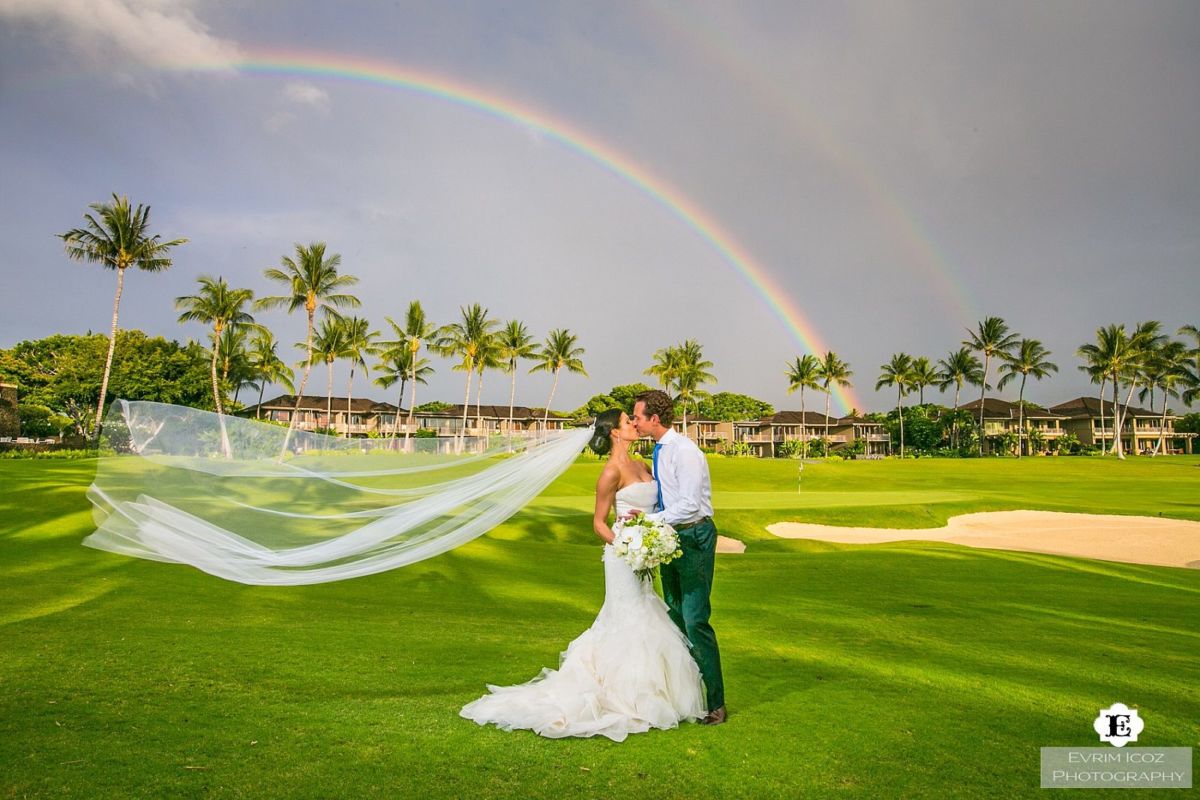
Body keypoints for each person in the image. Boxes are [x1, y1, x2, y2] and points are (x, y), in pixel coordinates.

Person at [459, 408, 705, 741]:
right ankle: (624, 694)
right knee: (627, 618)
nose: (634, 424)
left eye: (634, 419)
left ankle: (652, 693)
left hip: (645, 553)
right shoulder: (610, 473)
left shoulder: (644, 465)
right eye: (627, 421)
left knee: (647, 613)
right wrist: (627, 543)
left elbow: (656, 510)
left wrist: (648, 540)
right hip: (622, 556)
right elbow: (599, 523)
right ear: (615, 432)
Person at [631, 389, 726, 725]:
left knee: (695, 617)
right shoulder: (660, 450)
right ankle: (689, 694)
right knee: (675, 612)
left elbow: (688, 504)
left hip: (694, 535)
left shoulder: (685, 452)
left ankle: (716, 703)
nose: (635, 422)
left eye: (638, 417)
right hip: (673, 535)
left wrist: (648, 521)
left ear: (655, 419)